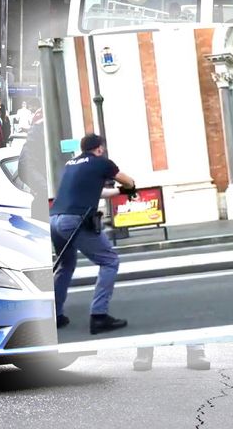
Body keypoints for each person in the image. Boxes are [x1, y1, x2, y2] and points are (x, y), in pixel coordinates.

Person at [50, 133, 134, 335]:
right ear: (99, 148)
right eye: (102, 148)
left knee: (65, 265)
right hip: (75, 220)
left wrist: (119, 192)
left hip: (54, 219)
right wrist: (130, 187)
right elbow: (127, 180)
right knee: (110, 261)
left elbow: (97, 191)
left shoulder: (71, 164)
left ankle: (54, 315)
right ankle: (99, 316)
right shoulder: (101, 162)